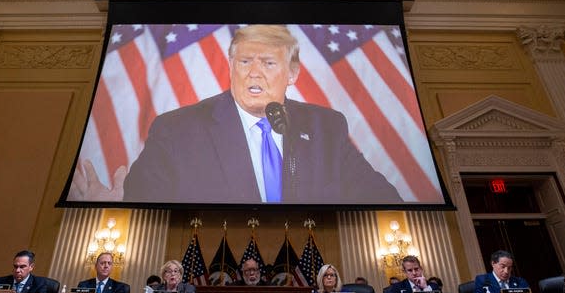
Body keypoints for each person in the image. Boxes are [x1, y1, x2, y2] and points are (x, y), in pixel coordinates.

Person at [74, 25, 402, 204]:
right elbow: (144, 200)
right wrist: (115, 208)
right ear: (231, 67)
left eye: (268, 63)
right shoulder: (177, 129)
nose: (253, 74)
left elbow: (384, 198)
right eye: (245, 62)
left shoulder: (325, 126)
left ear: (293, 73)